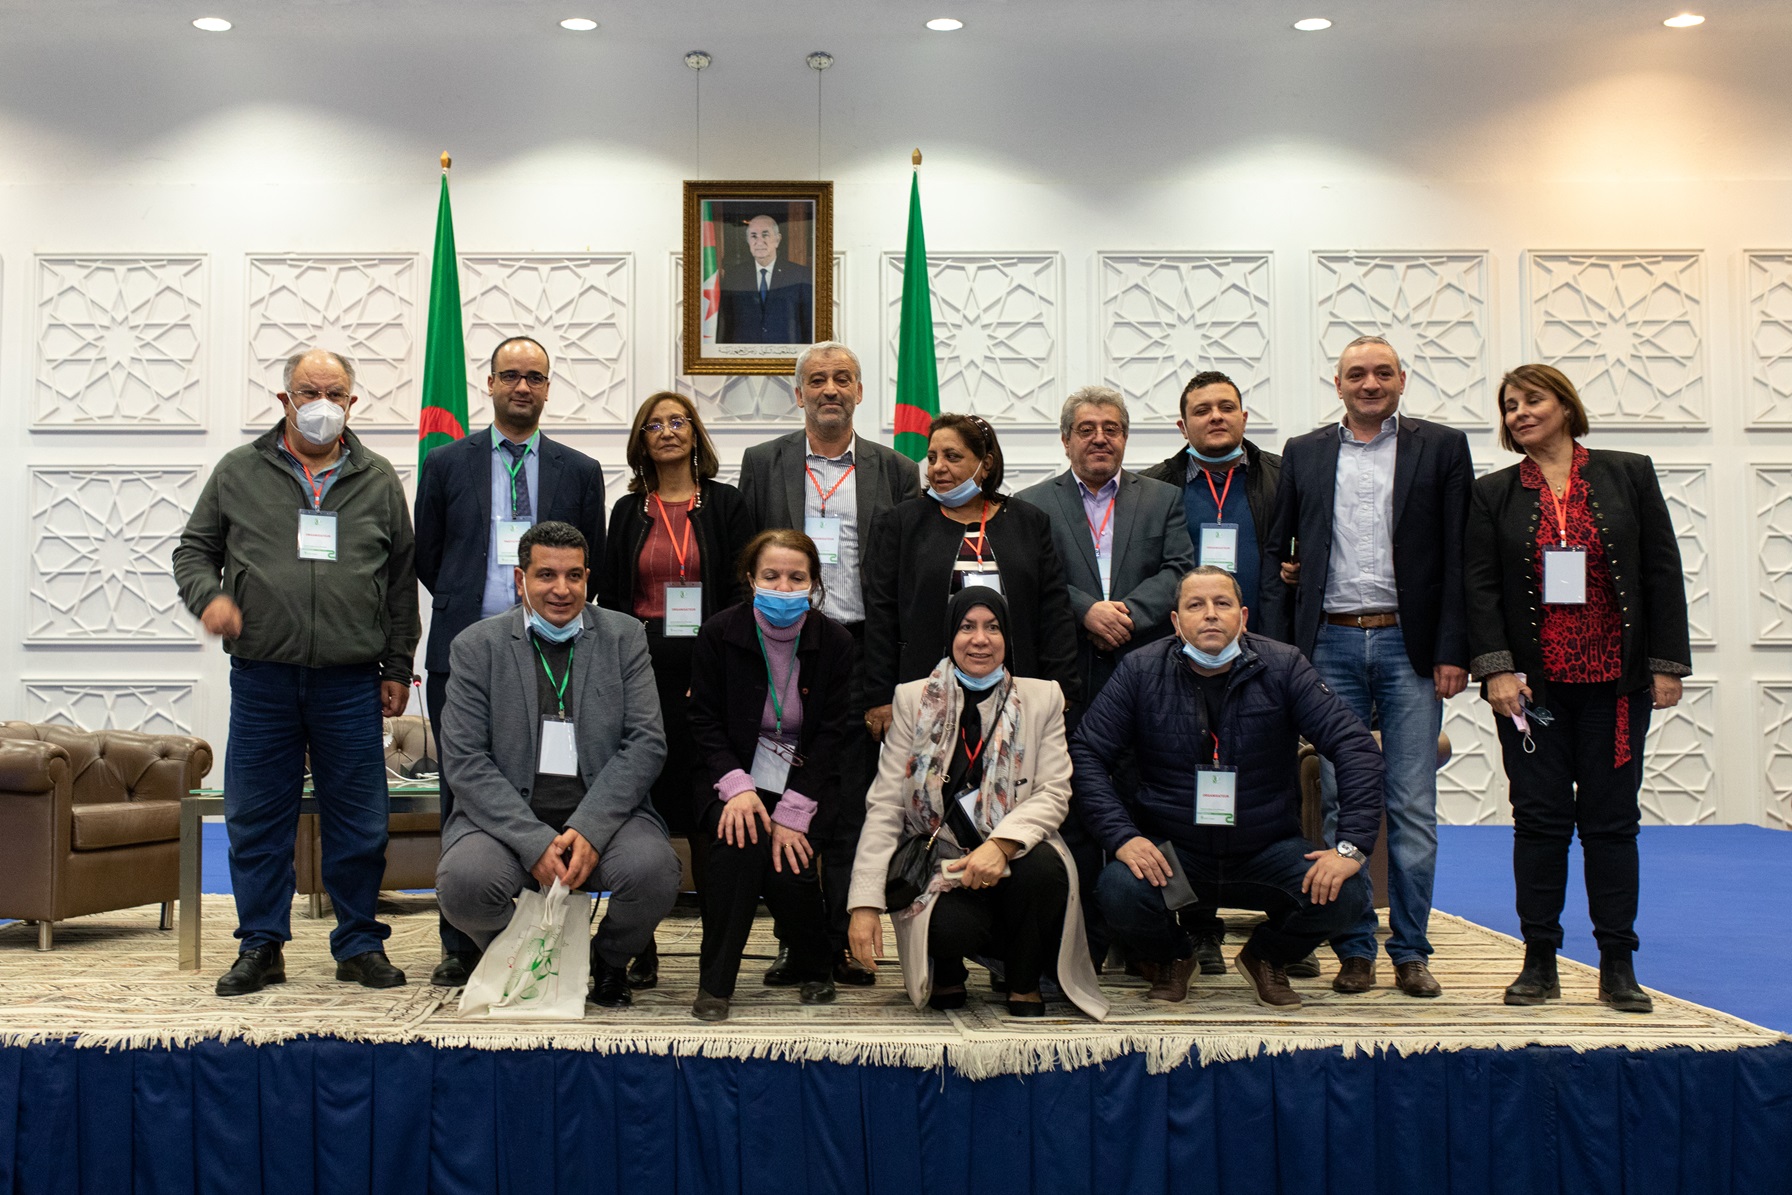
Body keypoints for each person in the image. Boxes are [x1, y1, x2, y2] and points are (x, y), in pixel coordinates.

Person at [173, 348, 420, 997]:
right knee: (257, 817)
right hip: (264, 677)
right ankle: (261, 943)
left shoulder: (378, 479)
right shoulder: (238, 471)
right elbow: (193, 551)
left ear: (352, 403)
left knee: (360, 819)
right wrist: (210, 598)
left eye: (335, 394)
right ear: (285, 400)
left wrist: (398, 665)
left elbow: (400, 583)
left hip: (351, 679)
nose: (322, 405)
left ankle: (360, 943)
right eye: (309, 392)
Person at [1465, 365, 1690, 1014]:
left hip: (1615, 687)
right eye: (1509, 405)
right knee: (1538, 822)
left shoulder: (1627, 473)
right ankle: (1540, 960)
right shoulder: (1494, 493)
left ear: (1565, 405)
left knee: (1611, 824)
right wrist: (1495, 669)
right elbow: (1480, 586)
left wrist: (1665, 663)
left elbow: (1661, 569)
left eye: (1532, 400)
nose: (1519, 413)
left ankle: (1618, 963)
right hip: (1530, 694)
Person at [1260, 334, 1473, 998]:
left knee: (1411, 806)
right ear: (1338, 384)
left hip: (1410, 645)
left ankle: (1410, 951)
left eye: (1383, 372)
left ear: (1402, 379)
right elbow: (1279, 552)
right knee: (1338, 800)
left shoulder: (1442, 447)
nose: (1370, 383)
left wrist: (1453, 650)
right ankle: (1353, 947)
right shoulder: (1305, 452)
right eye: (1357, 373)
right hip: (1330, 645)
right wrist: (1286, 650)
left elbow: (1462, 555)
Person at [1071, 567, 1384, 1008]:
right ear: (1176, 621)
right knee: (1118, 889)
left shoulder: (1285, 665)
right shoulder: (1140, 669)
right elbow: (1086, 753)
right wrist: (1122, 838)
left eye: (1222, 603)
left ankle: (1266, 956)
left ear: (1244, 616)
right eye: (1195, 605)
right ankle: (1175, 957)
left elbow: (1355, 747)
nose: (1210, 614)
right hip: (1176, 857)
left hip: (1266, 850)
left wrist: (1351, 847)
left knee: (1347, 893)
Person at [413, 335, 608, 987]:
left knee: (554, 781)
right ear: (490, 383)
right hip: (468, 651)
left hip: (554, 652)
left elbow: (593, 559)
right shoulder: (445, 463)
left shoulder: (580, 470)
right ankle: (461, 942)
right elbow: (429, 554)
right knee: (460, 790)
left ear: (547, 388)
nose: (523, 386)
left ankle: (555, 927)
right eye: (511, 375)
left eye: (535, 376)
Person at [436, 521, 680, 1009]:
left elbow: (646, 742)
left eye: (574, 575)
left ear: (588, 577)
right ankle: (521, 957)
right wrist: (532, 841)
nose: (562, 589)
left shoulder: (624, 637)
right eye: (546, 575)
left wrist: (589, 827)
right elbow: (465, 759)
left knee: (654, 872)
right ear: (520, 579)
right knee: (463, 883)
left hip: (605, 818)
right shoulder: (476, 646)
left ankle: (607, 961)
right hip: (506, 823)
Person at [737, 341, 920, 986]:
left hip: (862, 651)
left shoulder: (896, 469)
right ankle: (795, 938)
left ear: (860, 392)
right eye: (817, 380)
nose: (830, 389)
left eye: (843, 378)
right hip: (783, 646)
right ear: (799, 393)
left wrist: (886, 685)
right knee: (779, 791)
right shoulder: (763, 463)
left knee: (849, 801)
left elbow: (903, 584)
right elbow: (746, 563)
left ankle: (844, 937)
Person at [847, 588, 1109, 1020]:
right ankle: (947, 970)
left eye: (993, 627)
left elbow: (1054, 791)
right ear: (951, 635)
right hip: (943, 864)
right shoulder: (912, 699)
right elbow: (886, 807)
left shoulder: (1042, 697)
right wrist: (864, 904)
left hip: (1016, 858)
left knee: (1045, 868)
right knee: (948, 928)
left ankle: (1023, 979)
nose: (980, 639)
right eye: (967, 627)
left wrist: (1001, 846)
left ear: (1008, 637)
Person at [596, 391, 753, 986]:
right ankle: (640, 941)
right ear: (641, 440)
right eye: (654, 424)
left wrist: (723, 668)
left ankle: (718, 948)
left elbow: (741, 593)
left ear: (695, 433)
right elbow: (613, 599)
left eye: (677, 421)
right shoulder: (626, 511)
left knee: (709, 808)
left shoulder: (727, 504)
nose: (667, 431)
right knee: (646, 807)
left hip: (712, 669)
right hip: (643, 672)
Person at [686, 530, 857, 1020]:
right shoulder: (719, 632)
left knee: (788, 863)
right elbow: (703, 721)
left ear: (814, 583)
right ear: (750, 578)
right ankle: (716, 984)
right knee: (739, 845)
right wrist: (737, 788)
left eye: (796, 577)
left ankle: (815, 965)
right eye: (772, 575)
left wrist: (794, 809)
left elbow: (832, 736)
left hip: (806, 783)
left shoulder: (837, 642)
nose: (784, 587)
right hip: (729, 777)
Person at [862, 413, 1079, 744]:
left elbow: (1054, 612)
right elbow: (882, 614)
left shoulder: (1029, 522)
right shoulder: (903, 523)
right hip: (925, 689)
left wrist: (1061, 688)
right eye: (932, 457)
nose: (937, 467)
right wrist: (880, 696)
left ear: (986, 464)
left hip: (1016, 688)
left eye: (952, 457)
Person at [1015, 386, 1193, 712]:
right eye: (1086, 430)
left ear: (1124, 437)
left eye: (1111, 429)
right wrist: (1086, 611)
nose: (1100, 438)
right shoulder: (1031, 504)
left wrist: (1126, 617)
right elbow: (1029, 577)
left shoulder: (1163, 498)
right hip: (1067, 667)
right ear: (1065, 440)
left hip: (1145, 664)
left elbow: (1178, 569)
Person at [1138, 370, 1284, 616]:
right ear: (1183, 428)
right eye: (1202, 411)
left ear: (1244, 419)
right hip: (1180, 632)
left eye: (1227, 408)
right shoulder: (1152, 487)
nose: (1216, 416)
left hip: (1265, 631)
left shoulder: (1282, 476)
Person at [717, 214, 813, 345]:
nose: (759, 241)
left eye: (765, 235)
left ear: (777, 240)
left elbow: (809, 324)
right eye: (753, 236)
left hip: (786, 353)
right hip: (744, 354)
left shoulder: (799, 274)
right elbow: (725, 324)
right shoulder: (734, 276)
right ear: (748, 241)